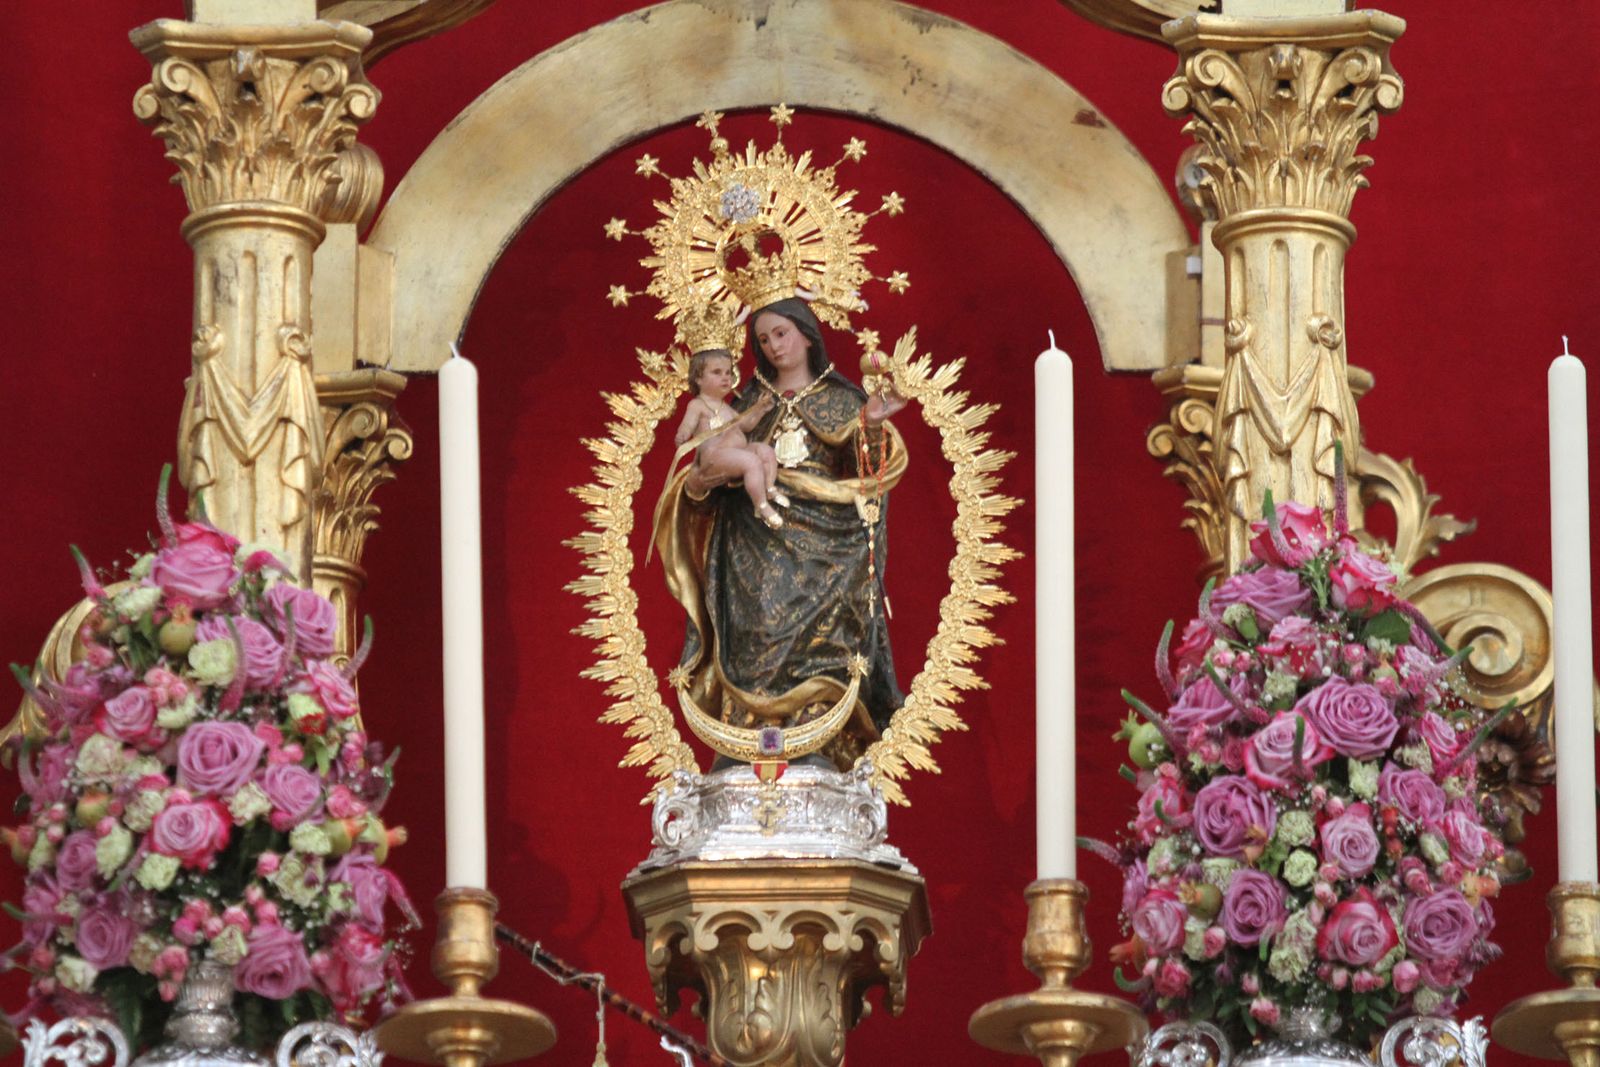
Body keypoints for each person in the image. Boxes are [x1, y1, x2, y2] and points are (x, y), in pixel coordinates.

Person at [653, 298, 911, 763]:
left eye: (782, 333)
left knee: (825, 649)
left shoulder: (845, 401)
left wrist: (871, 425)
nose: (774, 346)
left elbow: (868, 480)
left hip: (828, 556)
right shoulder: (746, 405)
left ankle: (818, 748)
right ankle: (746, 747)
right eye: (764, 338)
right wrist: (696, 485)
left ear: (807, 334)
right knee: (754, 644)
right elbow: (705, 476)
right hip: (751, 553)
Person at [671, 349, 785, 528]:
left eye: (728, 373)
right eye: (717, 372)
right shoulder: (698, 405)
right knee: (751, 461)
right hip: (714, 457)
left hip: (735, 453)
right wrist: (683, 434)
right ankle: (762, 506)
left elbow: (746, 425)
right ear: (698, 379)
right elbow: (688, 424)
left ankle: (769, 488)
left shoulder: (725, 407)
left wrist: (760, 409)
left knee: (765, 451)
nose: (726, 378)